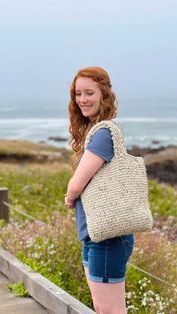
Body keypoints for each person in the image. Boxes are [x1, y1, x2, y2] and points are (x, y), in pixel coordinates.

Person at [65, 66, 134, 314]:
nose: (82, 100)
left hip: (108, 238)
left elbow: (76, 184)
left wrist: (70, 196)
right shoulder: (94, 131)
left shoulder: (104, 133)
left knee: (111, 311)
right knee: (102, 308)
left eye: (89, 93)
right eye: (78, 93)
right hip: (94, 235)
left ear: (104, 94)